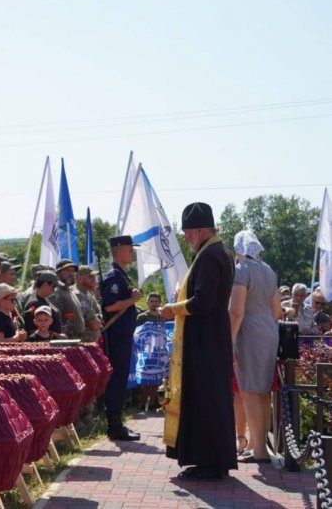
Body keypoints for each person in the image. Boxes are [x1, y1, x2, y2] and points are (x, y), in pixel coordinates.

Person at [161, 202, 236, 481]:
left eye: (189, 231)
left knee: (207, 399)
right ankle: (206, 459)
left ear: (203, 229)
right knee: (205, 398)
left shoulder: (210, 256)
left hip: (206, 340)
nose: (186, 237)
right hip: (207, 338)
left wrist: (174, 309)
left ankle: (212, 462)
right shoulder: (214, 252)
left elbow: (203, 301)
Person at [227, 230, 281, 464]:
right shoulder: (270, 271)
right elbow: (277, 311)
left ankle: (258, 450)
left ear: (239, 249)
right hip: (270, 332)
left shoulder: (241, 271)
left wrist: (229, 341)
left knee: (248, 391)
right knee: (263, 391)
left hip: (249, 333)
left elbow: (236, 311)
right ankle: (261, 445)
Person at [100, 235, 143, 442]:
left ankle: (116, 422)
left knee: (120, 378)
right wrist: (132, 299)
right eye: (129, 249)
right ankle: (114, 425)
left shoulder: (122, 275)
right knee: (116, 380)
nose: (131, 253)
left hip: (123, 336)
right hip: (116, 338)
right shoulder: (114, 277)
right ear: (118, 251)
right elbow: (109, 306)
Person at [74, 265, 102, 343]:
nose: (94, 279)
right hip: (82, 342)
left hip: (91, 342)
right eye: (90, 277)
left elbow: (100, 316)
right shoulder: (78, 295)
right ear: (80, 279)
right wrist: (98, 318)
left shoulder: (89, 293)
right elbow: (95, 324)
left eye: (94, 276)